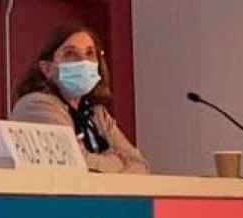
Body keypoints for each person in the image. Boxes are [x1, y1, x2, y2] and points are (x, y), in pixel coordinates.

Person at [9, 24, 148, 173]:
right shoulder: (36, 105)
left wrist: (103, 162)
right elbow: (75, 164)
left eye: (90, 53)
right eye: (70, 54)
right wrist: (117, 160)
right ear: (47, 69)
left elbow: (140, 166)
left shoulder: (98, 114)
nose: (83, 61)